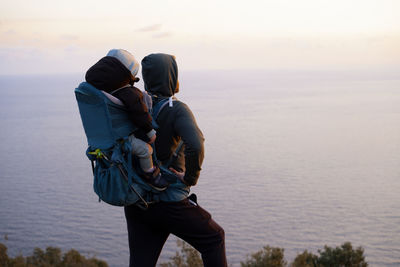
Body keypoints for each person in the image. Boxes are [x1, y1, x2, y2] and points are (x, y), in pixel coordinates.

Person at [124, 53, 227, 267]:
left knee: (141, 263)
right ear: (171, 76)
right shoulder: (176, 109)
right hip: (169, 201)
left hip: (138, 201)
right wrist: (190, 178)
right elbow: (196, 143)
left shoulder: (134, 104)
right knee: (214, 238)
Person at [85, 49, 169, 190]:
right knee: (146, 150)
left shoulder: (94, 90)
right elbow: (139, 114)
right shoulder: (128, 93)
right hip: (120, 139)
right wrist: (150, 133)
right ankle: (150, 176)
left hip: (99, 139)